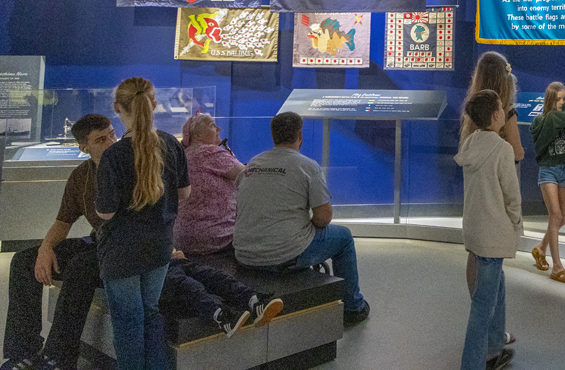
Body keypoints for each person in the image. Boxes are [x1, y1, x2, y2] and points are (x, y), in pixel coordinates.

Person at [232, 112, 369, 327]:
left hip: (244, 253)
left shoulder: (251, 165)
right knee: (344, 238)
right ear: (300, 136)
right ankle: (353, 307)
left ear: (273, 136)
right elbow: (324, 218)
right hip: (283, 253)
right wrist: (306, 228)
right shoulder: (307, 166)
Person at [2, 114, 116, 370]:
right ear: (83, 147)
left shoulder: (127, 168)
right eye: (100, 139)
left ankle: (58, 358)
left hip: (121, 249)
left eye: (111, 134)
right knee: (23, 261)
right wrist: (46, 248)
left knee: (81, 267)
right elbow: (64, 222)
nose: (110, 141)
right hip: (99, 245)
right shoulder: (81, 176)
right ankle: (23, 352)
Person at [96, 77, 190, 370]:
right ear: (154, 104)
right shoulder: (171, 145)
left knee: (127, 321)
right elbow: (184, 193)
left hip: (122, 252)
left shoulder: (112, 155)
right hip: (159, 246)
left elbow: (106, 213)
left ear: (117, 108)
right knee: (151, 312)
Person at [455, 90, 522, 370]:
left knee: (498, 288)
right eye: (502, 109)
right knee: (483, 306)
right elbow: (512, 196)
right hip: (495, 235)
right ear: (496, 116)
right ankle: (473, 363)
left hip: (475, 231)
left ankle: (494, 348)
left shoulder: (471, 144)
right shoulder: (502, 149)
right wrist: (517, 223)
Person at [460, 52, 523, 304]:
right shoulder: (505, 112)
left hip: (474, 199)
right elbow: (517, 151)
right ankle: (486, 324)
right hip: (497, 200)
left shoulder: (472, 113)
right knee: (493, 263)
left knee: (474, 254)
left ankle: (478, 308)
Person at [529, 81, 565, 284]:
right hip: (548, 170)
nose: (562, 102)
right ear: (550, 99)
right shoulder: (541, 121)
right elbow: (548, 127)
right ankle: (557, 266)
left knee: (562, 219)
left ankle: (540, 249)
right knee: (555, 214)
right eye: (558, 99)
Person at [161, 253, 283, 337]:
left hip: (172, 260)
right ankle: (222, 316)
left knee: (213, 275)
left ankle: (253, 301)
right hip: (157, 269)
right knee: (190, 287)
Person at [174, 112, 244, 256]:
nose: (218, 129)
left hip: (182, 240)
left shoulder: (185, 155)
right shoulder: (210, 152)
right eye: (212, 125)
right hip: (216, 239)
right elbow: (248, 176)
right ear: (197, 135)